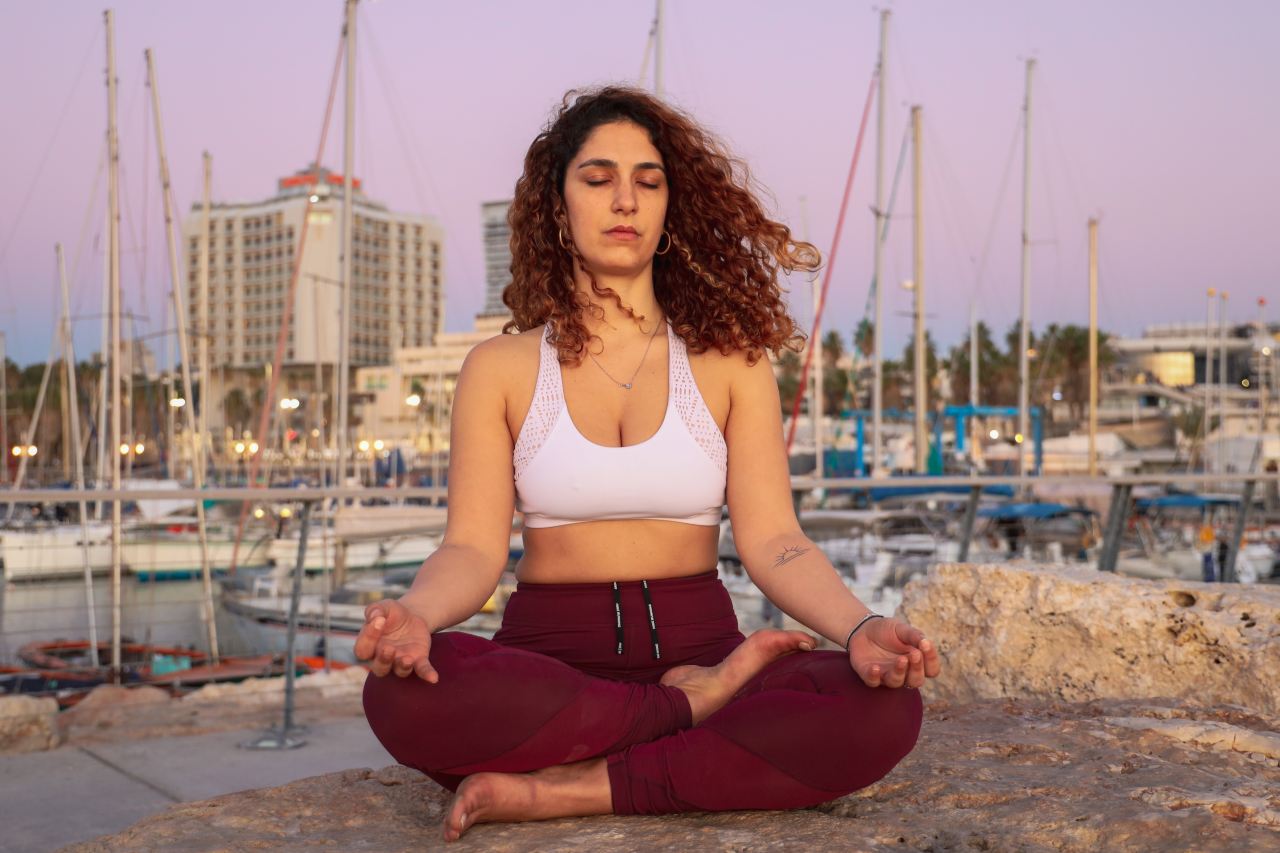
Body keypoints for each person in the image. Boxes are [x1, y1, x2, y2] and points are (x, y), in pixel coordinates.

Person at [357, 86, 940, 843]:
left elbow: (775, 540)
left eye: (649, 180)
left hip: (704, 650)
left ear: (670, 210)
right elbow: (470, 548)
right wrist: (416, 618)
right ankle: (683, 721)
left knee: (884, 707)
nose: (624, 198)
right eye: (597, 178)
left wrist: (861, 626)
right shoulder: (498, 368)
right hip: (556, 671)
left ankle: (569, 787)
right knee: (398, 693)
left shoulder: (731, 362)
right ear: (558, 208)